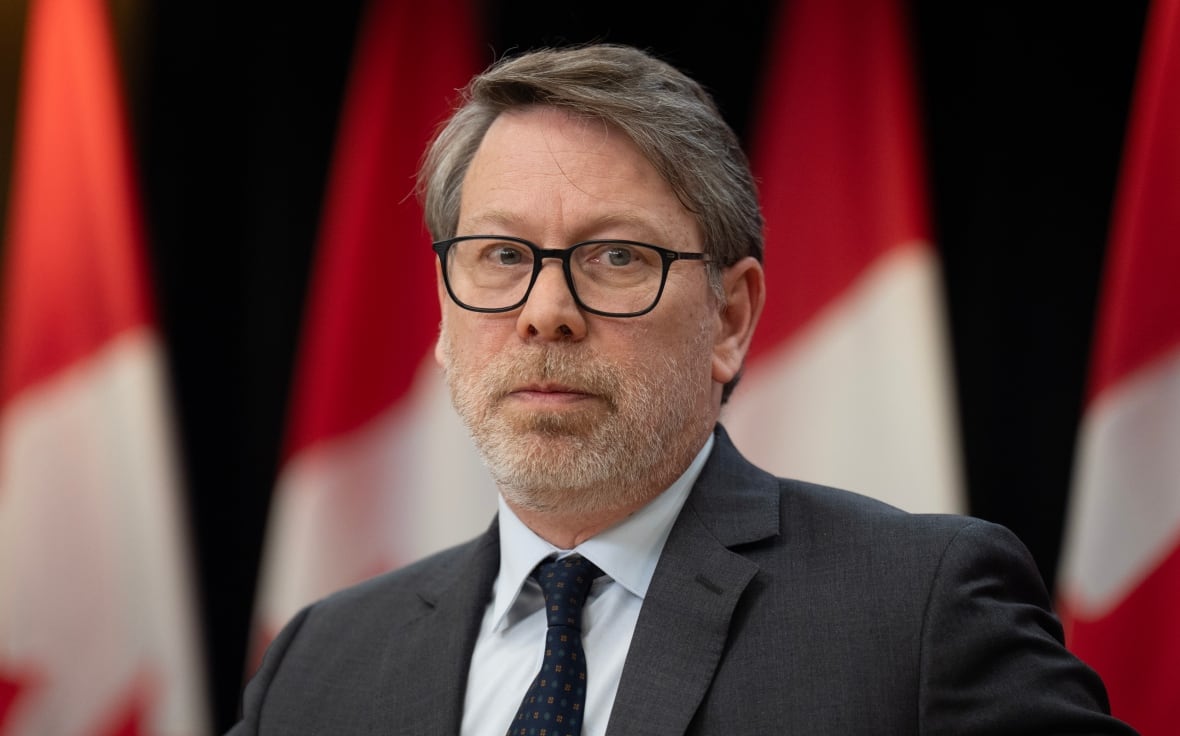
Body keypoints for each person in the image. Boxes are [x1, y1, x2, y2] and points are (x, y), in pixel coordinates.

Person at [226, 43, 1137, 735]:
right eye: (501, 255)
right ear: (442, 309)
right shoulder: (319, 665)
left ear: (729, 318)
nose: (546, 312)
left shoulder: (918, 612)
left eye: (617, 256)